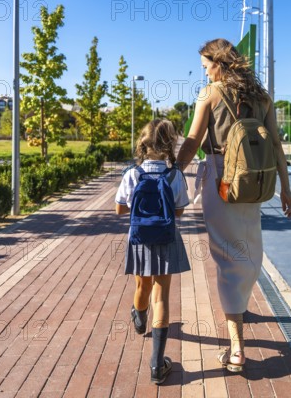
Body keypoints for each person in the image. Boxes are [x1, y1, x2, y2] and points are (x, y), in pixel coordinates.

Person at [176, 38, 291, 372]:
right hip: (255, 184)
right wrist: (285, 188)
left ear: (219, 63)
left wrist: (171, 174)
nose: (205, 75)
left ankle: (237, 349)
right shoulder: (262, 98)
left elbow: (192, 142)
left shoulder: (210, 94)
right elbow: (276, 146)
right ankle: (240, 308)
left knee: (227, 259)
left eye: (206, 67)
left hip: (221, 181)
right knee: (248, 253)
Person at [115, 119, 190, 384]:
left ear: (143, 145)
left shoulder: (132, 174)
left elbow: (120, 209)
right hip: (166, 239)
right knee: (162, 297)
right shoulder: (175, 175)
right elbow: (180, 211)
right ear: (169, 145)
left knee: (142, 287)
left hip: (139, 239)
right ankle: (157, 366)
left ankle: (139, 317)